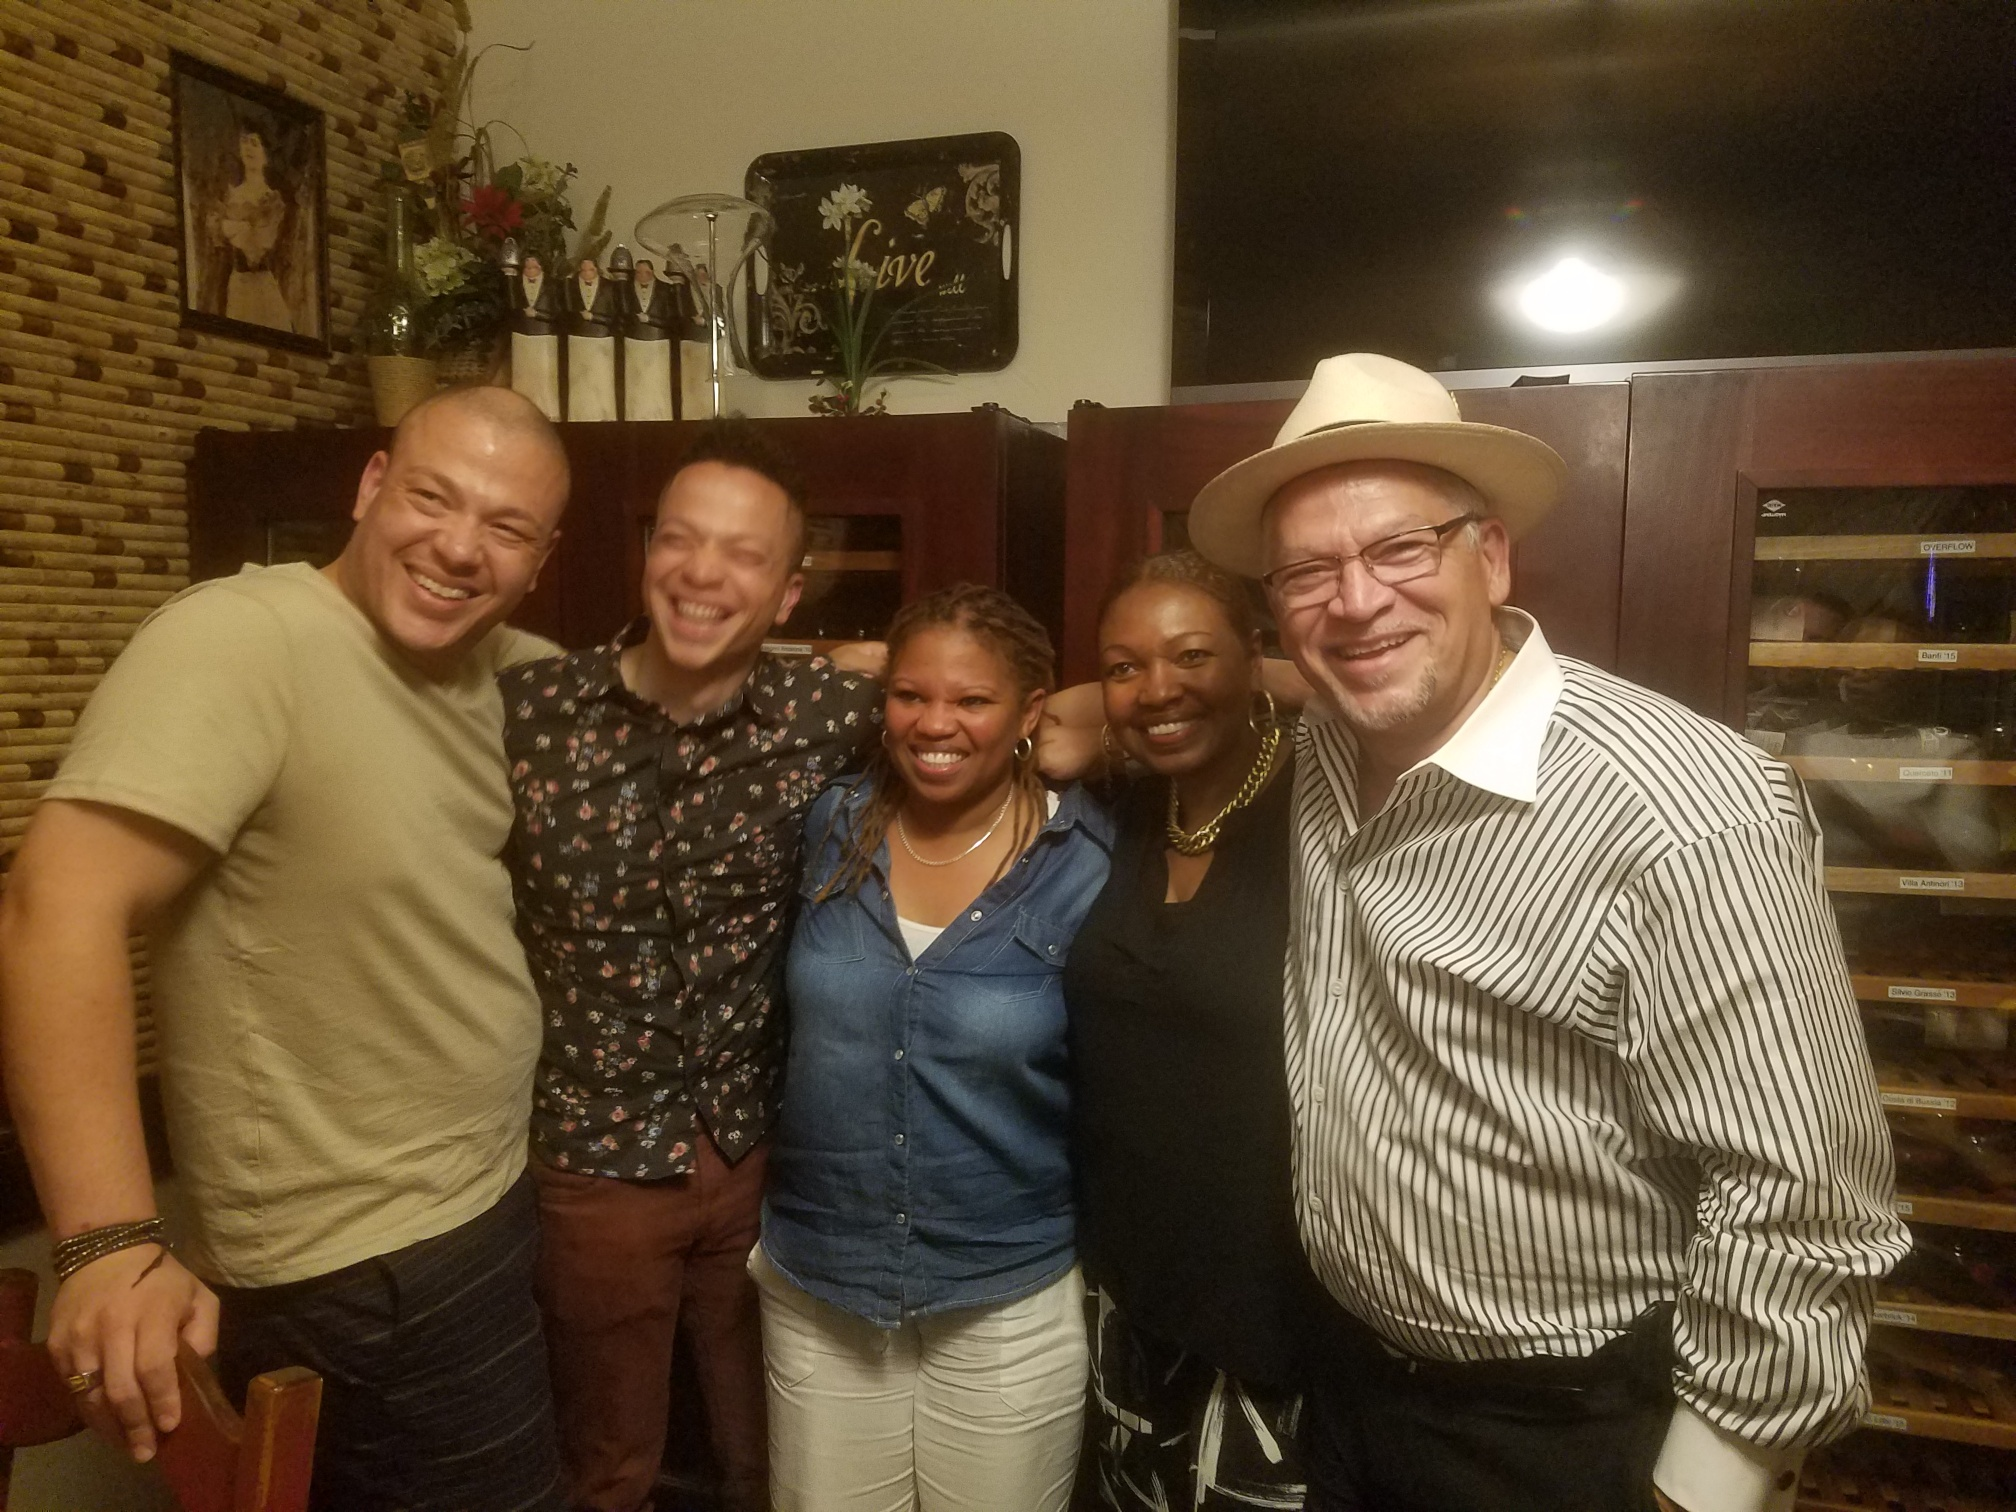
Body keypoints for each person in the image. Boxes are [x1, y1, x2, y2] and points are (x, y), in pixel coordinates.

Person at [1184, 352, 1910, 1512]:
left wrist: (1701, 1489)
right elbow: (1229, 690)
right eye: (1308, 571)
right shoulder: (1328, 744)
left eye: (1400, 550)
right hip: (1351, 1389)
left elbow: (1803, 1201)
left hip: (1574, 1436)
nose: (1355, 601)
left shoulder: (1686, 813)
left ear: (1491, 555)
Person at [0, 385, 574, 1512]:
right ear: (370, 486)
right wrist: (106, 1244)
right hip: (364, 1267)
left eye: (507, 527)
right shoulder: (244, 639)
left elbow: (648, 693)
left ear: (541, 560)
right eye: (433, 498)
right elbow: (55, 905)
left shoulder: (502, 667)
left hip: (481, 1207)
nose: (460, 547)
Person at [501, 419, 881, 1512]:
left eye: (743, 554)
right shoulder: (529, 714)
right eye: (679, 538)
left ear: (788, 593)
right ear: (648, 551)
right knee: (607, 1462)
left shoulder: (828, 715)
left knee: (774, 1456)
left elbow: (992, 696)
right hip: (594, 1164)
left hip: (763, 1158)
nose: (703, 572)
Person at [754, 584, 1112, 1512]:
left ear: (1031, 712)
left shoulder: (1085, 859)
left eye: (972, 699)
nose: (935, 723)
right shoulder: (830, 825)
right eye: (910, 695)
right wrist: (849, 660)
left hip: (1005, 1293)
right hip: (823, 1282)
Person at [1065, 551, 1319, 1510]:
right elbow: (1045, 722)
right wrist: (1159, 683)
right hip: (1128, 1288)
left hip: (1278, 1313)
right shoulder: (1126, 807)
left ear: (1256, 653)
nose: (1157, 689)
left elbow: (1409, 696)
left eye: (1192, 655)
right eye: (1123, 666)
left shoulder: (1327, 799)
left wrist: (1271, 671)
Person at [210, 122, 294, 332]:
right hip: (237, 283)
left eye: (254, 143)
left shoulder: (272, 199)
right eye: (244, 142)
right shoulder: (231, 195)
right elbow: (219, 236)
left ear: (266, 155)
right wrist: (236, 227)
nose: (248, 148)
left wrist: (235, 227)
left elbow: (258, 247)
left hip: (261, 284)